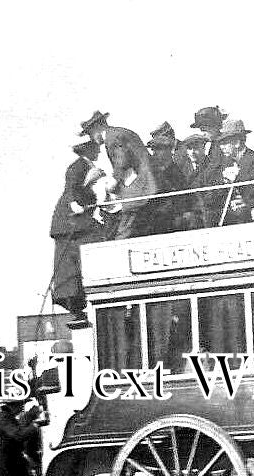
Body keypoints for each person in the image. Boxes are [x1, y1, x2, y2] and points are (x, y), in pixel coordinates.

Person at [78, 110, 159, 240]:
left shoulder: (112, 137)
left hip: (138, 190)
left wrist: (113, 181)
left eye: (90, 134)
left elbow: (122, 161)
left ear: (97, 127)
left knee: (124, 233)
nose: (91, 139)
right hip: (145, 186)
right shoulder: (120, 132)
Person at [50, 139, 106, 320]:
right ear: (87, 149)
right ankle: (75, 297)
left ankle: (77, 298)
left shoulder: (84, 166)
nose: (98, 151)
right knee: (74, 260)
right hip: (71, 223)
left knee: (71, 263)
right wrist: (76, 204)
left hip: (75, 222)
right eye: (95, 148)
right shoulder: (78, 166)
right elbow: (72, 188)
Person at [196, 119, 254, 226]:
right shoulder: (224, 162)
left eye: (225, 143)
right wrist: (224, 181)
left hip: (250, 205)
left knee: (239, 213)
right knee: (209, 215)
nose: (221, 147)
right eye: (220, 143)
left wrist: (237, 180)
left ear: (237, 143)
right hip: (229, 207)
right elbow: (213, 190)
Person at [144, 122, 188, 234]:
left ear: (169, 150)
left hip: (172, 221)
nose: (154, 153)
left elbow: (180, 200)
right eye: (153, 149)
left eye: (158, 149)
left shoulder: (176, 174)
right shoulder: (157, 172)